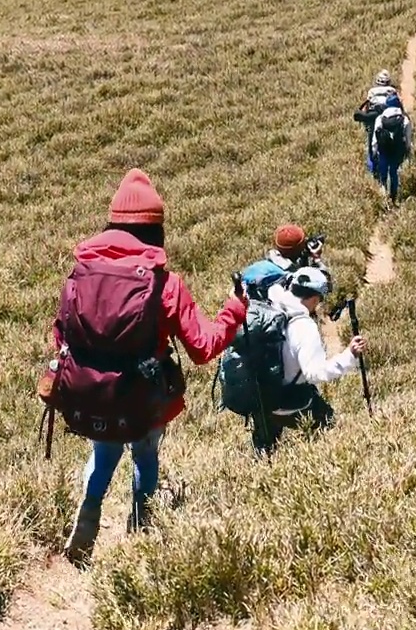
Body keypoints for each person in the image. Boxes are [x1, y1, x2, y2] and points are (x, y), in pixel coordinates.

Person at [53, 168, 248, 569]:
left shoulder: (80, 272)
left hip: (93, 395)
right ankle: (141, 532)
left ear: (112, 222)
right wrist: (235, 307)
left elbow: (61, 336)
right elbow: (203, 347)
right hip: (143, 399)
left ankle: (88, 518)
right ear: (155, 228)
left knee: (103, 454)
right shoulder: (165, 283)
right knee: (144, 457)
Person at [220, 267, 367, 457]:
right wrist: (350, 355)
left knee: (264, 453)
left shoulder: (269, 306)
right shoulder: (304, 326)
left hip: (259, 397)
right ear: (315, 297)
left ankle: (259, 474)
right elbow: (315, 373)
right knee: (329, 424)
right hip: (291, 401)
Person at [372, 94, 414, 204]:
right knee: (394, 172)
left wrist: (374, 151)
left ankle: (383, 193)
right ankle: (394, 196)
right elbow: (408, 138)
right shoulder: (404, 119)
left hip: (384, 150)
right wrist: (408, 151)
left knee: (383, 172)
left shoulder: (380, 118)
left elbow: (375, 138)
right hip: (397, 150)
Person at [357, 70, 400, 173]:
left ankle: (372, 169)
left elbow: (367, 107)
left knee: (371, 142)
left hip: (373, 117)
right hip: (389, 118)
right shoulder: (392, 91)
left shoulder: (372, 91)